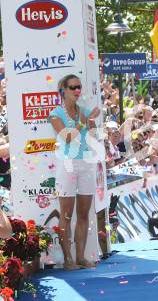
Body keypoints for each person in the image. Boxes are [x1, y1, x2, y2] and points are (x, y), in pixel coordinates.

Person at [49, 74, 101, 270]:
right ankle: (68, 259)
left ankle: (80, 257)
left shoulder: (85, 111)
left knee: (84, 212)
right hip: (66, 164)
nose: (77, 90)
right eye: (73, 87)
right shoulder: (55, 114)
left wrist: (91, 122)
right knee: (67, 213)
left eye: (79, 87)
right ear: (63, 90)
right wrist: (81, 122)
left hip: (85, 163)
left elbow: (94, 136)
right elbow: (67, 137)